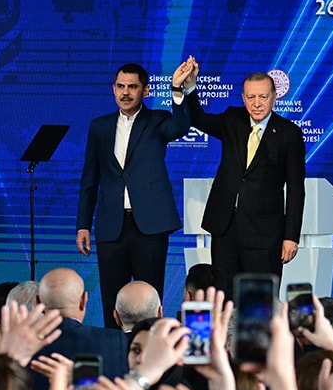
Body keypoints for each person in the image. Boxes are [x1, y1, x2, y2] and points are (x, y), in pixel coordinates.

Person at [75, 61, 194, 327]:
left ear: (146, 90)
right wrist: (83, 225)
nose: (125, 92)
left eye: (132, 87)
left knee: (148, 300)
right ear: (113, 88)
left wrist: (177, 90)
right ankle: (114, 348)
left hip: (150, 226)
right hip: (111, 226)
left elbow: (181, 127)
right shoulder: (99, 127)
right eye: (120, 86)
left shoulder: (158, 120)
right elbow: (90, 179)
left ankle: (150, 349)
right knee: (112, 302)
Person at [185, 64, 306, 280]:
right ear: (243, 98)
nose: (256, 103)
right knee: (224, 295)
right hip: (225, 229)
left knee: (259, 297)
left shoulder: (289, 134)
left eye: (263, 97)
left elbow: (296, 190)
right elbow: (198, 119)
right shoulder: (233, 119)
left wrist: (291, 237)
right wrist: (190, 87)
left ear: (274, 97)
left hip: (264, 234)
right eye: (251, 97)